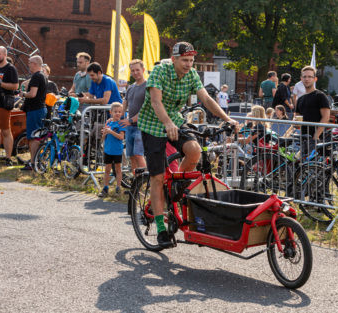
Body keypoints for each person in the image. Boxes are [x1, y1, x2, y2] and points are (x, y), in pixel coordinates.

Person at [137, 41, 237, 247]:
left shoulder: (191, 75)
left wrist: (227, 119)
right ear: (173, 59)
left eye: (191, 60)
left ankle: (175, 186)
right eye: (184, 60)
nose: (188, 64)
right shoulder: (160, 71)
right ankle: (161, 230)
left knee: (194, 151)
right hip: (153, 124)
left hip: (174, 119)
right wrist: (167, 123)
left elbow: (207, 99)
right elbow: (156, 101)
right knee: (157, 177)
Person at [118, 59, 147, 174]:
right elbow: (124, 104)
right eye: (133, 70)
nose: (135, 73)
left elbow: (146, 109)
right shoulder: (130, 87)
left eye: (137, 70)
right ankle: (136, 184)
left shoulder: (148, 86)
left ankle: (146, 182)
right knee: (132, 157)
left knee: (139, 155)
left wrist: (130, 120)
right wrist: (118, 116)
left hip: (142, 126)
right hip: (130, 126)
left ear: (143, 70)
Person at [20, 55, 48, 171]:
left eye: (30, 62)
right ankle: (36, 162)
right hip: (39, 109)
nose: (28, 64)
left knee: (34, 137)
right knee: (37, 136)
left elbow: (32, 94)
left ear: (35, 63)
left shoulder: (37, 76)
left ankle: (33, 163)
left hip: (35, 109)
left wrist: (22, 94)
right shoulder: (43, 75)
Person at [295, 65, 331, 154]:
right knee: (301, 166)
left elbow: (326, 117)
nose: (307, 79)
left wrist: (316, 135)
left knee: (313, 166)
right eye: (304, 77)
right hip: (303, 139)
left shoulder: (320, 96)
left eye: (310, 77)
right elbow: (297, 118)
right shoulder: (300, 99)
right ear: (301, 79)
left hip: (316, 139)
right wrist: (295, 122)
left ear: (315, 79)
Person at [98, 102, 126, 197]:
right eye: (115, 111)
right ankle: (105, 188)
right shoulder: (109, 122)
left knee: (118, 169)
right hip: (108, 150)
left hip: (117, 150)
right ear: (111, 112)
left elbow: (121, 137)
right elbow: (103, 138)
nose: (117, 113)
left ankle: (118, 187)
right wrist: (105, 133)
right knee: (107, 169)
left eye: (119, 112)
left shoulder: (121, 124)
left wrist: (111, 132)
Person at [0, 46, 19, 166]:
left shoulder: (10, 69)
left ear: (5, 55)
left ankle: (8, 158)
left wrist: (1, 84)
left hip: (3, 103)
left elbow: (15, 86)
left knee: (6, 130)